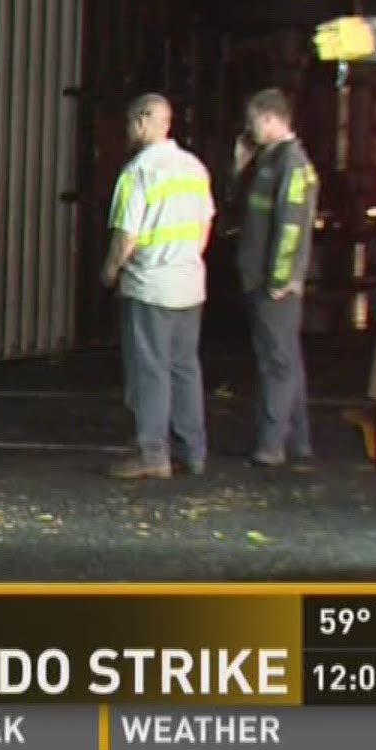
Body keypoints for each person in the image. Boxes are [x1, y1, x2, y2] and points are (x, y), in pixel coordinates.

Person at [98, 94, 215, 481]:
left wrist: (111, 271)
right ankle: (193, 452)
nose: (129, 130)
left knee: (150, 370)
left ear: (145, 121)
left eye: (132, 121)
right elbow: (204, 228)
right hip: (189, 284)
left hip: (149, 286)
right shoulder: (195, 169)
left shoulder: (138, 172)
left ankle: (152, 453)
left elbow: (125, 236)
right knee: (185, 369)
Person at [235, 89, 318, 471]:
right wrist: (240, 167)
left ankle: (271, 445)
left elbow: (291, 225)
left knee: (276, 362)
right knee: (287, 359)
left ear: (271, 119)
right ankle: (297, 441)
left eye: (253, 121)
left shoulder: (291, 164)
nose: (249, 129)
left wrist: (280, 278)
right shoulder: (268, 160)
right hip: (262, 278)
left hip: (273, 283)